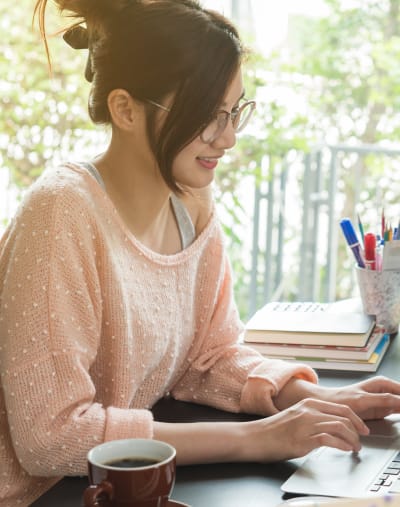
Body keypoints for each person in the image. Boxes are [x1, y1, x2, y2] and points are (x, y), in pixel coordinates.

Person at [1, 0, 400, 505]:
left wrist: (313, 399)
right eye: (209, 116)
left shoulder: (189, 202)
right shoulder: (61, 213)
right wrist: (263, 437)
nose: (229, 138)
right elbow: (51, 438)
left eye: (234, 112)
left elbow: (207, 357)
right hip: (40, 492)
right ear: (125, 109)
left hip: (123, 486)